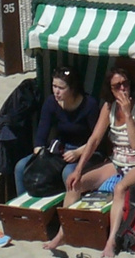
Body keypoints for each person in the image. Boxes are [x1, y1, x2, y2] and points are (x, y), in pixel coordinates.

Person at [42, 63, 135, 258]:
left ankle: (111, 242)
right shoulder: (108, 107)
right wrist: (78, 169)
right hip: (117, 160)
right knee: (75, 183)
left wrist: (128, 114)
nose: (122, 89)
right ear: (110, 89)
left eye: (124, 84)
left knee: (120, 189)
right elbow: (94, 139)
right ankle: (63, 233)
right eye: (116, 86)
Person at [14, 67, 102, 196]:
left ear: (72, 88)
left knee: (68, 173)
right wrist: (40, 155)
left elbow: (98, 139)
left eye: (61, 88)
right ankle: (22, 206)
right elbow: (41, 136)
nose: (56, 91)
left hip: (86, 150)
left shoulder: (89, 105)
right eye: (54, 86)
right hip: (59, 149)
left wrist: (78, 152)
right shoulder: (51, 102)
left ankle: (66, 208)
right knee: (21, 167)